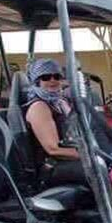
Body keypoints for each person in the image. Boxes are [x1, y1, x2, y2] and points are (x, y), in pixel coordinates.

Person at [23, 58, 88, 188]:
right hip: (52, 166)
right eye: (46, 77)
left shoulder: (61, 102)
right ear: (37, 82)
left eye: (57, 76)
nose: (53, 80)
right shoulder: (39, 107)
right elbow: (53, 149)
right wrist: (88, 155)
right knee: (100, 168)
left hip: (68, 159)